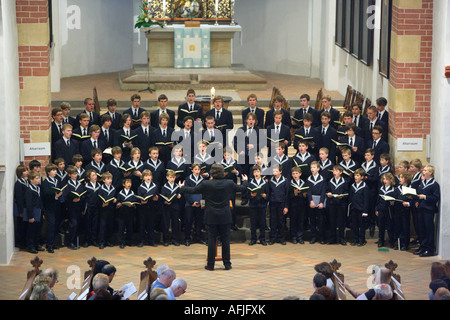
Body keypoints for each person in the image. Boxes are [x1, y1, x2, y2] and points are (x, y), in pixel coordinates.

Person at [179, 164, 249, 271]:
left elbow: (193, 190)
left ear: (212, 173)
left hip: (211, 215)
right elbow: (242, 188)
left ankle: (210, 265)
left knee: (211, 240)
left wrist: (182, 188)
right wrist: (245, 180)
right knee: (225, 240)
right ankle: (227, 264)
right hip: (225, 215)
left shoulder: (207, 184)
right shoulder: (229, 183)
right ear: (223, 172)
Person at [415, 164, 440, 257]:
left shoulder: (434, 184)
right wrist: (418, 200)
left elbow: (435, 197)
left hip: (428, 209)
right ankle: (423, 246)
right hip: (421, 208)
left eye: (425, 170)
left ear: (430, 172)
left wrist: (424, 197)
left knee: (428, 229)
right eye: (423, 170)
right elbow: (419, 192)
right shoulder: (422, 183)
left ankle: (429, 249)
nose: (423, 172)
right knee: (421, 229)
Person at [41, 164, 63, 253]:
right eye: (53, 170)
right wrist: (55, 196)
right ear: (48, 172)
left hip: (57, 206)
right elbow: (45, 195)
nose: (55, 172)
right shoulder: (45, 182)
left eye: (55, 170)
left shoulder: (57, 181)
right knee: (51, 225)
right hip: (49, 207)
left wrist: (59, 195)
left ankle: (53, 243)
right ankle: (49, 244)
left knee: (56, 225)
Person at [63, 166, 87, 250]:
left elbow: (83, 194)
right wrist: (72, 200)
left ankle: (75, 242)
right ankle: (70, 242)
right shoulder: (67, 185)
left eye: (76, 173)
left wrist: (80, 198)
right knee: (73, 224)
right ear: (69, 175)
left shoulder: (79, 184)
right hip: (71, 207)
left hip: (79, 207)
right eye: (73, 174)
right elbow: (65, 197)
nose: (75, 175)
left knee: (78, 224)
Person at [376, 173, 399, 249]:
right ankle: (381, 241)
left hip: (389, 211)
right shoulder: (381, 188)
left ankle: (392, 241)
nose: (385, 181)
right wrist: (377, 209)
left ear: (390, 180)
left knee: (390, 227)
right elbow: (378, 200)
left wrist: (393, 203)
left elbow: (395, 201)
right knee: (381, 226)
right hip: (381, 210)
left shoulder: (394, 190)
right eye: (384, 179)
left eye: (387, 179)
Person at [326, 165, 349, 245]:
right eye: (333, 171)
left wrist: (343, 195)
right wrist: (328, 193)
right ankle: (332, 238)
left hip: (341, 204)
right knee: (332, 221)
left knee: (341, 222)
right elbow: (328, 190)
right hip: (332, 203)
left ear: (341, 172)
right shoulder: (330, 181)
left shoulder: (345, 181)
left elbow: (347, 193)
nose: (334, 172)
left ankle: (341, 238)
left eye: (336, 171)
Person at [183, 164, 205, 246]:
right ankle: (187, 239)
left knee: (199, 221)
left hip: (200, 203)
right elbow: (186, 192)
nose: (197, 171)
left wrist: (201, 203)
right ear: (192, 170)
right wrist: (192, 202)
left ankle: (198, 237)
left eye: (198, 169)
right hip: (190, 204)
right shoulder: (188, 179)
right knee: (189, 221)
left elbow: (204, 192)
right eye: (195, 169)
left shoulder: (202, 180)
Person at [136, 169, 159, 247]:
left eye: (149, 175)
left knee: (151, 224)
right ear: (143, 178)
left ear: (152, 177)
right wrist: (141, 200)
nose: (148, 177)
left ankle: (151, 240)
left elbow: (157, 196)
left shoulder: (155, 186)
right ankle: (142, 240)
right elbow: (139, 197)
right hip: (143, 208)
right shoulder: (140, 187)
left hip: (152, 207)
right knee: (142, 224)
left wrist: (156, 198)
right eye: (146, 176)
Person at [267, 164, 289, 245]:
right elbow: (269, 193)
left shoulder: (285, 181)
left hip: (281, 203)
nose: (274, 172)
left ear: (280, 171)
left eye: (276, 171)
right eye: (273, 171)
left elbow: (287, 194)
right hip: (273, 203)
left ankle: (281, 238)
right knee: (273, 221)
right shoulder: (270, 180)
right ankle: (272, 238)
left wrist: (286, 206)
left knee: (281, 221)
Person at [247, 165, 269, 246]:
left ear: (261, 173)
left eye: (258, 172)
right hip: (253, 205)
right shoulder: (250, 183)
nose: (256, 173)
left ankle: (262, 239)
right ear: (253, 173)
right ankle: (253, 239)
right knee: (253, 223)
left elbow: (268, 194)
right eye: (255, 172)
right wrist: (251, 195)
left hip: (262, 205)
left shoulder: (265, 183)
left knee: (262, 223)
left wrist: (265, 196)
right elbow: (247, 194)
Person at [307, 161, 327, 244]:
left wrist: (321, 202)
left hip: (319, 201)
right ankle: (314, 237)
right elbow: (308, 191)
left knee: (321, 221)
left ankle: (321, 237)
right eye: (311, 167)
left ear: (318, 169)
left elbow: (323, 192)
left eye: (314, 167)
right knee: (312, 220)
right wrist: (311, 201)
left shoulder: (322, 179)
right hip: (312, 202)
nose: (312, 169)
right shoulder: (309, 179)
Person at [161, 170, 182, 246]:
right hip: (167, 207)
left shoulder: (177, 186)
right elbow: (162, 197)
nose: (172, 179)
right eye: (170, 177)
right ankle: (166, 240)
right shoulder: (164, 187)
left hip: (175, 207)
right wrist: (165, 201)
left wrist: (179, 196)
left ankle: (174, 239)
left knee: (175, 223)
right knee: (166, 224)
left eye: (173, 177)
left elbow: (179, 194)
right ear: (167, 177)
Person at [24, 171, 44, 254]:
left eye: (39, 178)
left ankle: (37, 244)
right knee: (31, 230)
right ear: (31, 180)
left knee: (38, 230)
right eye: (36, 178)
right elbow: (29, 204)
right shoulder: (29, 190)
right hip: (33, 212)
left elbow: (41, 201)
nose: (38, 179)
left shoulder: (38, 188)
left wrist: (42, 212)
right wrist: (30, 216)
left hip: (39, 211)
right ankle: (30, 246)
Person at [361, 148, 379, 237]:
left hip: (371, 189)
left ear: (372, 156)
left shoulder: (375, 166)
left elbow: (376, 179)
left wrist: (367, 178)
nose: (366, 157)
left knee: (371, 206)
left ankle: (372, 224)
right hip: (364, 188)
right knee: (365, 206)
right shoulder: (363, 165)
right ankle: (366, 223)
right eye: (365, 155)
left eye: (368, 155)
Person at [349, 168, 369, 246]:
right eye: (355, 175)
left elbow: (366, 200)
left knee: (361, 225)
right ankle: (355, 239)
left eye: (357, 175)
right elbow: (351, 197)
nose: (355, 177)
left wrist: (365, 211)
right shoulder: (352, 186)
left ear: (362, 177)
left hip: (361, 209)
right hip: (354, 208)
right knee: (355, 225)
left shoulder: (365, 187)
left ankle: (362, 240)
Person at [288, 167, 308, 244]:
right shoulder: (290, 183)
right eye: (293, 173)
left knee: (300, 221)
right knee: (293, 221)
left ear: (300, 174)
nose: (295, 175)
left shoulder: (303, 183)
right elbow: (288, 195)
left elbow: (306, 193)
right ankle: (293, 237)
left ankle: (299, 237)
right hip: (293, 205)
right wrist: (295, 193)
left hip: (301, 204)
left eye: (296, 173)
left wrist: (304, 194)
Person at [97, 172, 117, 249]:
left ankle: (108, 240)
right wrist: (102, 204)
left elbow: (115, 197)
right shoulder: (101, 189)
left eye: (111, 179)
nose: (110, 180)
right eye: (108, 179)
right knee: (103, 226)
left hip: (111, 209)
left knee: (110, 225)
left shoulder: (113, 188)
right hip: (103, 210)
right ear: (104, 180)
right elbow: (98, 200)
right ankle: (101, 242)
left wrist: (115, 200)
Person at [116, 178, 137, 249]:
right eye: (127, 182)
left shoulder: (132, 193)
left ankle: (129, 241)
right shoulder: (120, 193)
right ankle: (121, 242)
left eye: (130, 183)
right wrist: (118, 204)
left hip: (130, 213)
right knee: (121, 228)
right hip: (122, 213)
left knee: (130, 227)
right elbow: (118, 202)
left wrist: (133, 204)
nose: (129, 184)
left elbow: (134, 201)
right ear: (123, 184)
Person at [14, 165, 29, 249]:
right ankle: (21, 243)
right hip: (21, 208)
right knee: (21, 226)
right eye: (25, 171)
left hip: (25, 207)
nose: (27, 172)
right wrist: (21, 211)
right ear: (20, 173)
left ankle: (24, 242)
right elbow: (19, 198)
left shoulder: (25, 182)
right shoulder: (18, 184)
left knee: (25, 226)